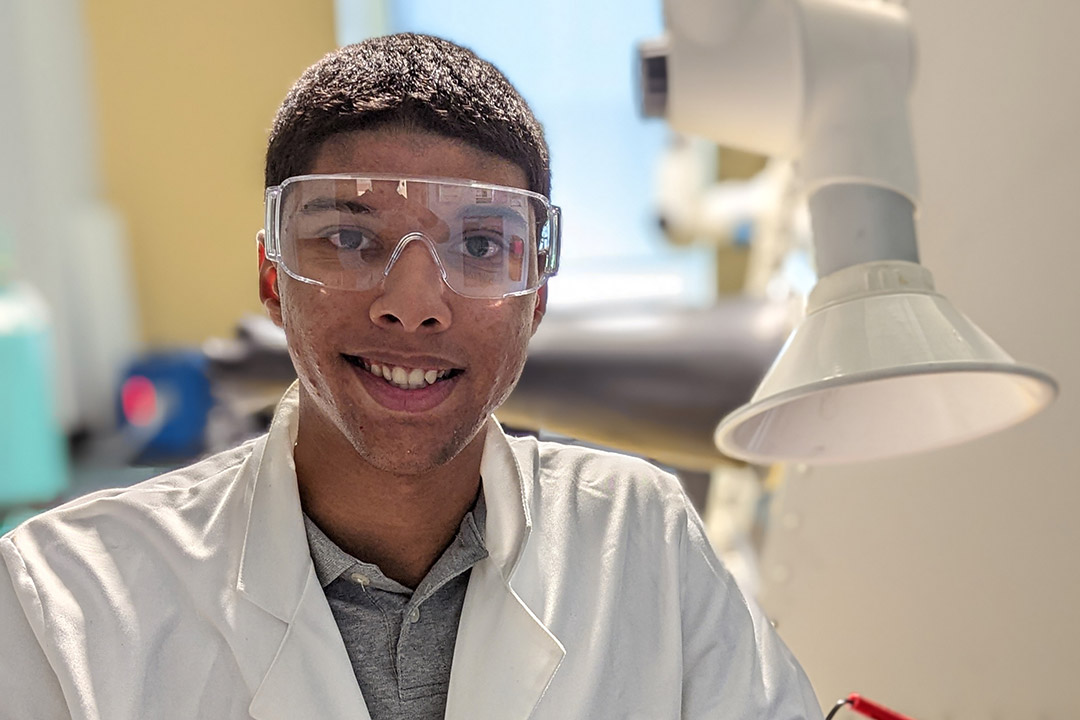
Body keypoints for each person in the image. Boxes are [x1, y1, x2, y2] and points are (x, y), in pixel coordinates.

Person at [0, 34, 822, 719]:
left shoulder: (641, 540)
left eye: (479, 245)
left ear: (536, 295)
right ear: (270, 276)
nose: (413, 304)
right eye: (351, 238)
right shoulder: (67, 602)